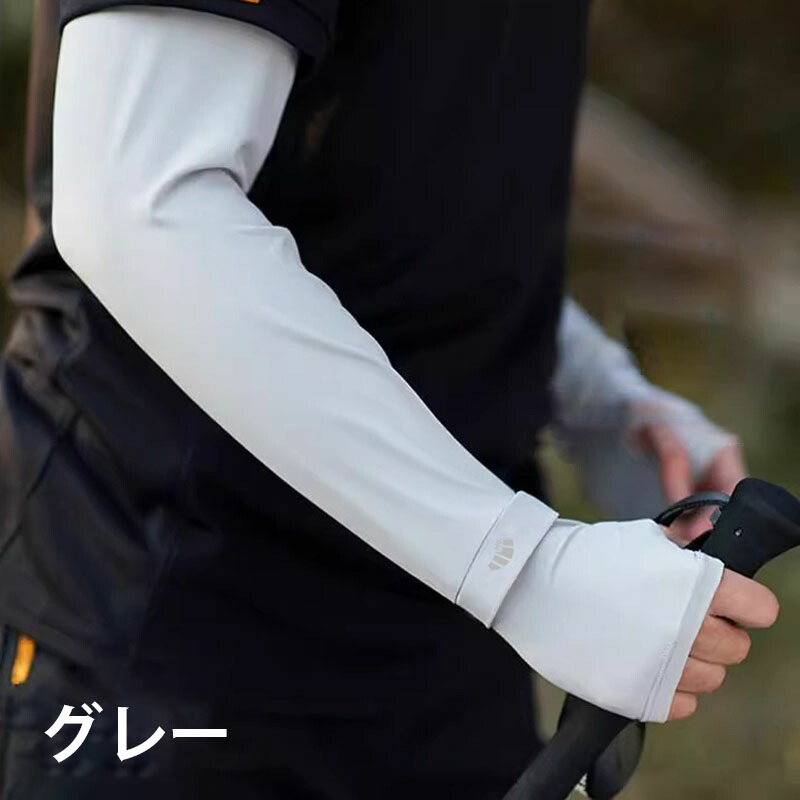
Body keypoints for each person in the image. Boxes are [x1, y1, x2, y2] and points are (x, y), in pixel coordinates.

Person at [0, 2, 778, 798]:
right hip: (179, 625)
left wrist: (594, 394)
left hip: (445, 639)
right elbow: (141, 208)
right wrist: (525, 569)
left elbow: (404, 165)